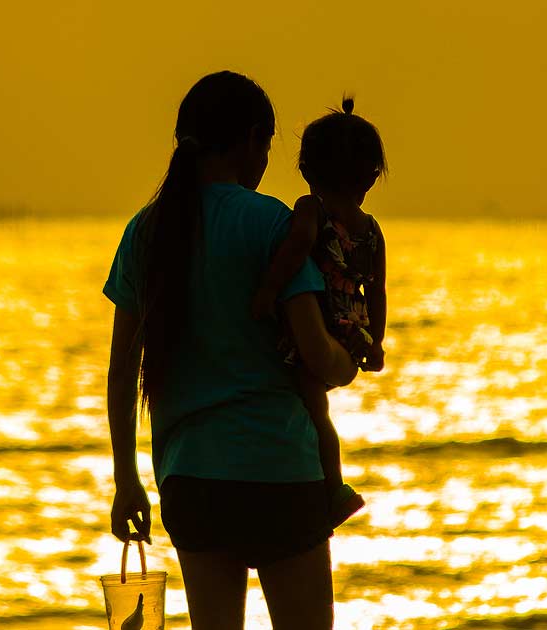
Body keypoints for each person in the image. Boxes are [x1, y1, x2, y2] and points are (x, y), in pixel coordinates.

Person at [103, 70, 357, 630]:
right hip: (279, 472)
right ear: (248, 140)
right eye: (266, 144)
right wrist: (352, 361)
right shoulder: (272, 223)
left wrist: (126, 481)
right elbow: (318, 355)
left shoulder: (145, 230)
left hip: (191, 480)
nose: (265, 160)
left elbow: (123, 375)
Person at [250, 96, 388, 529]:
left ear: (306, 170)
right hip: (352, 329)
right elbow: (378, 290)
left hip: (320, 324)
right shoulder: (372, 230)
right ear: (370, 178)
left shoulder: (312, 210)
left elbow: (296, 247)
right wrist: (376, 341)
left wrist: (269, 289)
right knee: (316, 403)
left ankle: (334, 487)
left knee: (311, 403)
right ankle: (329, 484)